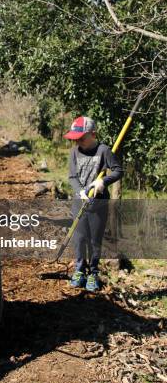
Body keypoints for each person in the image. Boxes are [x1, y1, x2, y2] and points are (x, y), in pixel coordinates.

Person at [64, 116, 123, 292]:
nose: (78, 141)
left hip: (98, 205)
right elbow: (72, 177)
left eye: (81, 137)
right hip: (79, 203)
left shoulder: (104, 151)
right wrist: (80, 191)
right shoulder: (74, 152)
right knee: (80, 239)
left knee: (95, 241)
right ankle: (79, 270)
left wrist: (103, 181)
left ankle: (93, 273)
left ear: (93, 134)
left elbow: (119, 171)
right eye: (75, 138)